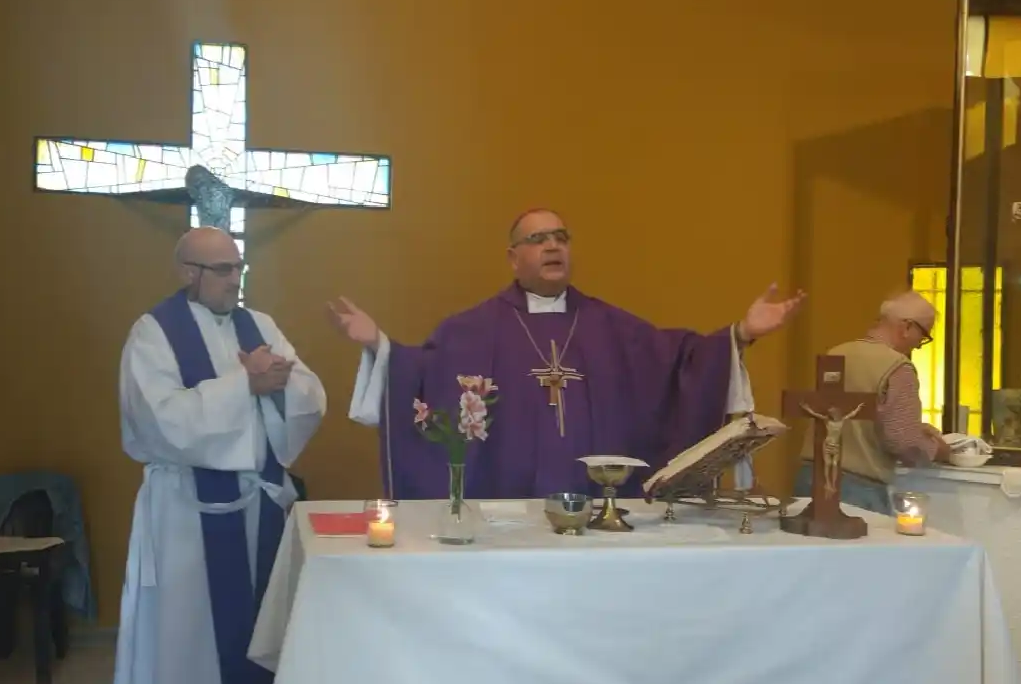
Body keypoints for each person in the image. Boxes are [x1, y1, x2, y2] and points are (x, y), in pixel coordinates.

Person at [327, 208, 805, 498]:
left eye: (561, 237)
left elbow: (680, 364)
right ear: (514, 258)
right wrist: (379, 345)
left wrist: (740, 333)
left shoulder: (611, 327)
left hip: (601, 508)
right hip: (506, 515)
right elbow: (425, 375)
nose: (553, 246)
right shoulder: (472, 329)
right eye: (538, 239)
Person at [108, 227, 326, 684]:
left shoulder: (261, 324)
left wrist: (281, 389)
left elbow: (307, 389)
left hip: (255, 509)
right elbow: (159, 420)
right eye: (222, 269)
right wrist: (245, 386)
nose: (235, 279)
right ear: (187, 273)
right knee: (188, 645)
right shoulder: (153, 333)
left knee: (257, 634)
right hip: (187, 517)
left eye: (238, 267)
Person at [793, 290, 950, 515]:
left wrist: (916, 429)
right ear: (907, 327)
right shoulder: (897, 368)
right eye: (923, 336)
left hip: (809, 479)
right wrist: (938, 450)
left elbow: (840, 417)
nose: (918, 345)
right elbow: (902, 440)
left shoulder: (836, 354)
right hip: (856, 491)